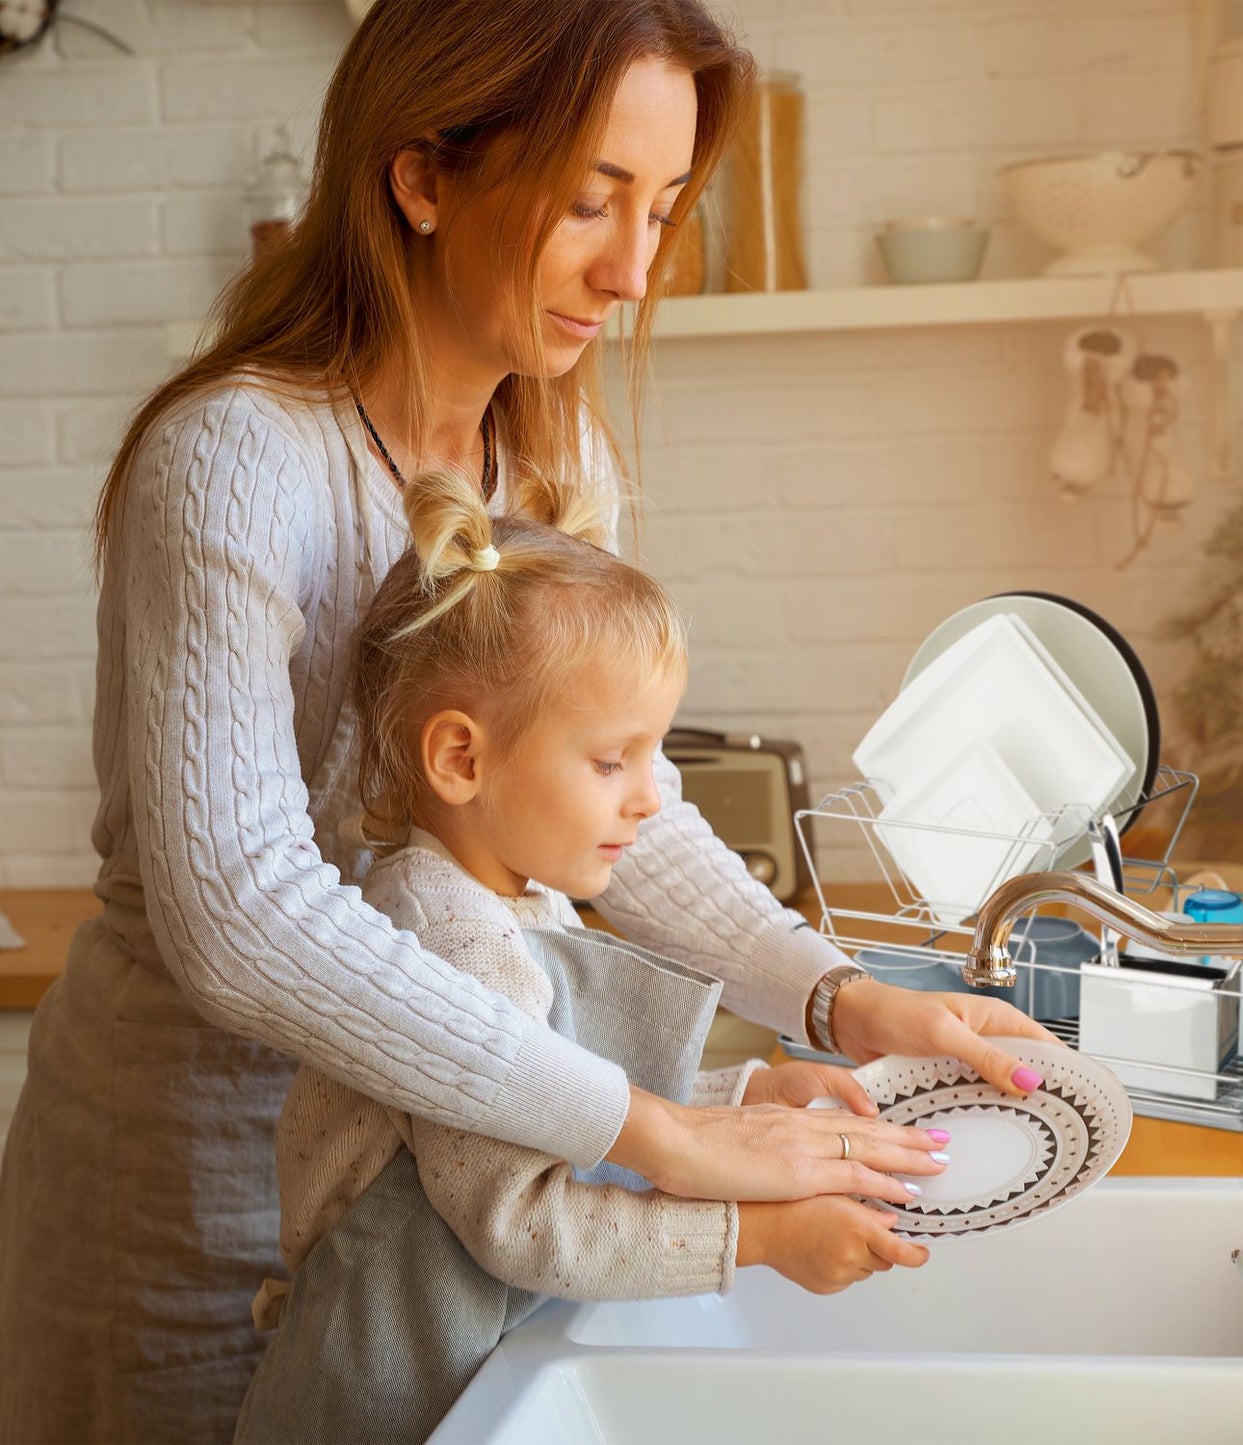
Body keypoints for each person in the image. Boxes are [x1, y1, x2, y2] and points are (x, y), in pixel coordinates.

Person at [0, 3, 1050, 1440]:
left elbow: (626, 807)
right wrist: (657, 1131)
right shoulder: (237, 460)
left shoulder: (554, 467)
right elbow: (243, 912)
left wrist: (836, 996)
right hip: (182, 1196)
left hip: (428, 1191)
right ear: (421, 176)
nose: (630, 269)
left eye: (664, 207)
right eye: (588, 202)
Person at [234, 471, 939, 1443]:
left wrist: (745, 1091)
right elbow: (528, 1218)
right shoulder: (453, 937)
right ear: (461, 760)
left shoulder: (520, 892)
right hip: (384, 1401)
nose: (650, 798)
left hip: (474, 1375)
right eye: (613, 760)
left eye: (652, 756)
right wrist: (764, 1237)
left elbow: (567, 1101)